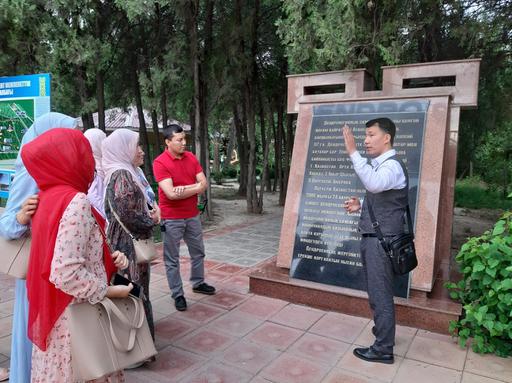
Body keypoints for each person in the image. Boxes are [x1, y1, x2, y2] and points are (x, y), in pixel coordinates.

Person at [22, 128, 131, 382]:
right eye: (83, 153)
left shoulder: (45, 197)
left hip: (57, 318)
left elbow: (64, 249)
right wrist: (109, 291)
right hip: (76, 318)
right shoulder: (76, 201)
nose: (90, 161)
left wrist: (106, 257)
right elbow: (65, 272)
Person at [0, 112, 78, 383]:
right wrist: (22, 217)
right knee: (33, 331)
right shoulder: (30, 171)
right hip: (37, 270)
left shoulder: (62, 168)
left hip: (62, 269)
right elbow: (6, 223)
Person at [342, 117, 408, 365]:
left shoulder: (391, 166)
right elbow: (382, 196)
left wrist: (353, 152)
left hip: (382, 242)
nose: (366, 140)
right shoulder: (384, 165)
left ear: (386, 137)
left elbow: (373, 182)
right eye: (365, 136)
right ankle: (383, 331)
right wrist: (362, 206)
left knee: (380, 294)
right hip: (378, 239)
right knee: (376, 292)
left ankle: (383, 349)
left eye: (371, 135)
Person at [102, 128, 158, 340]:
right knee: (134, 292)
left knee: (132, 290)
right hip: (128, 245)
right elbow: (128, 214)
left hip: (124, 241)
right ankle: (138, 346)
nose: (142, 151)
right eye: (137, 146)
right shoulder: (122, 175)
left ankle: (137, 345)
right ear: (123, 149)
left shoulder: (122, 171)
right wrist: (150, 220)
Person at [153, 124, 215, 312]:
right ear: (168, 141)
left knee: (198, 251)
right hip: (171, 218)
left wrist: (186, 189)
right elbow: (171, 194)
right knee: (172, 258)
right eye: (179, 140)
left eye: (184, 139)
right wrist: (194, 187)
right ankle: (178, 294)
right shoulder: (160, 162)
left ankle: (198, 282)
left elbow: (204, 184)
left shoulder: (191, 157)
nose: (183, 143)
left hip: (192, 215)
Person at [84, 128, 107, 216]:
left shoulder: (103, 162)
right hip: (100, 217)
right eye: (103, 140)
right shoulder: (90, 166)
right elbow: (91, 195)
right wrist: (107, 213)